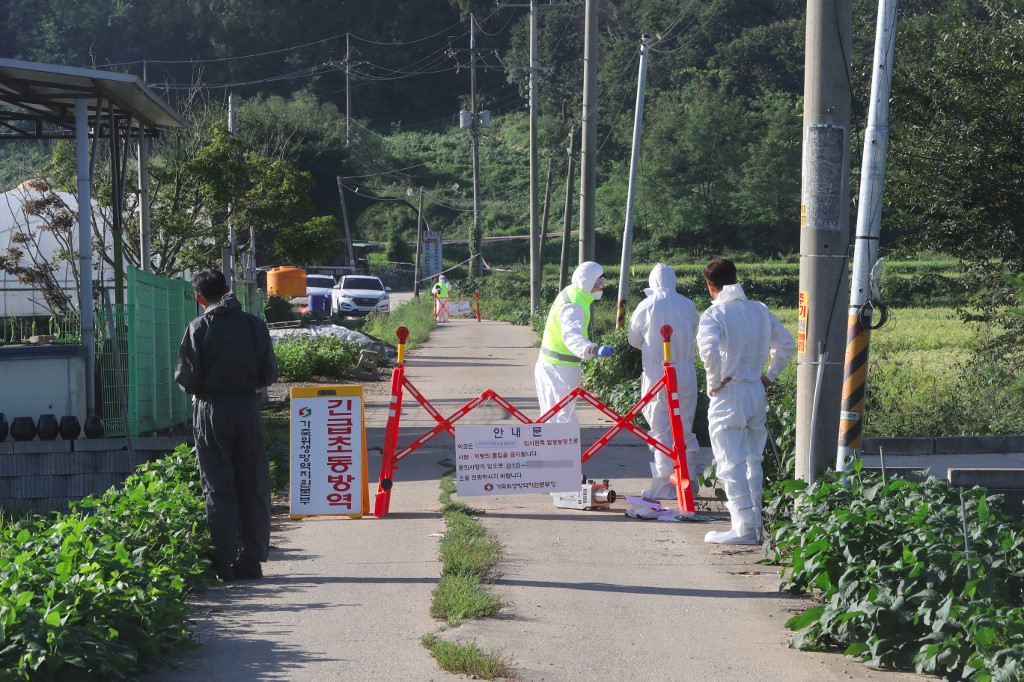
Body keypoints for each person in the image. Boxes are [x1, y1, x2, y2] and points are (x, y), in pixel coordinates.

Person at [175, 269, 279, 581]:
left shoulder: (198, 328)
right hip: (247, 406)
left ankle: (222, 561)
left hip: (212, 409)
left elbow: (186, 378)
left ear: (198, 298)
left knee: (218, 485)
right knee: (253, 482)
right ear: (228, 289)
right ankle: (252, 559)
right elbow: (269, 373)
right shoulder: (254, 325)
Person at [697, 259, 794, 544]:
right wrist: (770, 376)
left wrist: (715, 381)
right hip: (756, 390)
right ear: (736, 278)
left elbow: (709, 351)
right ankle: (755, 526)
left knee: (730, 462)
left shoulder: (715, 314)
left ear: (710, 286)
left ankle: (743, 528)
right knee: (754, 459)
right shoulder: (760, 310)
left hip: (730, 392)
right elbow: (786, 344)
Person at [627, 263, 700, 500]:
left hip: (657, 372)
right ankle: (689, 486)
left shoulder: (646, 305)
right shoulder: (687, 304)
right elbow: (696, 332)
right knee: (684, 427)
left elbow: (633, 339)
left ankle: (663, 487)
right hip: (685, 371)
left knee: (660, 429)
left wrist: (650, 347)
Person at [535, 261, 616, 427]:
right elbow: (571, 336)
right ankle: (561, 453)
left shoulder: (575, 294)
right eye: (599, 283)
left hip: (558, 367)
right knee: (561, 421)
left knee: (557, 418)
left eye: (603, 282)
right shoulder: (574, 305)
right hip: (557, 370)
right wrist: (593, 349)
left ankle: (560, 452)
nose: (601, 286)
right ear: (588, 283)